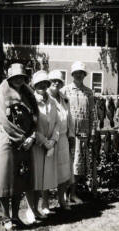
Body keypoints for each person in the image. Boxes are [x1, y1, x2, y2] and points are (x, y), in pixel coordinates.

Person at [0, 63, 38, 230]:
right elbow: (4, 122)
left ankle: (15, 217)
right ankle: (6, 218)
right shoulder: (3, 95)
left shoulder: (28, 95)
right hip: (9, 142)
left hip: (26, 143)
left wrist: (32, 136)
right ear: (10, 78)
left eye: (21, 77)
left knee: (20, 180)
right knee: (5, 180)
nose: (19, 80)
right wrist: (22, 139)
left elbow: (35, 117)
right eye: (15, 77)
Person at [26, 71, 60, 223]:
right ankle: (30, 210)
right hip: (36, 146)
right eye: (39, 84)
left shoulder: (52, 101)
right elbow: (30, 126)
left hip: (49, 146)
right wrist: (45, 142)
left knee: (42, 180)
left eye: (44, 83)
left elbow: (58, 123)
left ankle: (37, 208)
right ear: (34, 85)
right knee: (33, 180)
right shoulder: (30, 100)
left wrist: (53, 141)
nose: (42, 86)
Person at [60, 61, 95, 203]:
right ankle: (62, 194)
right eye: (76, 73)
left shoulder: (89, 92)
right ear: (72, 74)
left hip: (83, 134)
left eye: (81, 73)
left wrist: (92, 133)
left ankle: (73, 193)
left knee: (78, 165)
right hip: (68, 134)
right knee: (65, 163)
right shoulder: (65, 91)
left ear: (84, 75)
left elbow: (93, 113)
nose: (79, 75)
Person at [48, 70, 74, 210]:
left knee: (64, 172)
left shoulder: (65, 99)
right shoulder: (45, 98)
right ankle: (45, 204)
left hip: (63, 138)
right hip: (50, 140)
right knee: (47, 171)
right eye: (53, 80)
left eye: (59, 81)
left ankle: (61, 200)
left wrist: (71, 136)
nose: (56, 83)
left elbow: (69, 119)